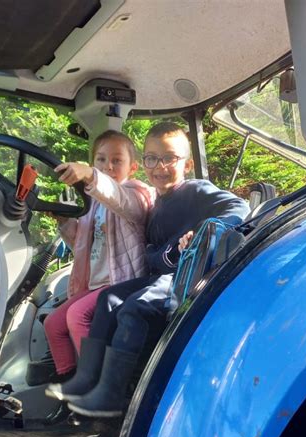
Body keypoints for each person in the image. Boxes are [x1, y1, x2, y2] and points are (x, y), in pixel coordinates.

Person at [51, 122, 249, 417]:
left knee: (135, 306)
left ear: (188, 163)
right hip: (162, 274)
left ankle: (111, 394)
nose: (160, 166)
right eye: (152, 158)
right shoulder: (157, 204)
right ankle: (91, 380)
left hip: (187, 278)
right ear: (143, 163)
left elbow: (238, 206)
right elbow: (154, 253)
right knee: (109, 299)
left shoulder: (193, 190)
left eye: (169, 158)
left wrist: (208, 232)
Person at [36, 130, 153, 395]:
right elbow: (81, 239)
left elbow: (123, 201)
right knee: (53, 324)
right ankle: (69, 385)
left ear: (132, 167)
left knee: (78, 316)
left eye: (116, 161)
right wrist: (62, 220)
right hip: (95, 284)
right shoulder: (94, 205)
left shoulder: (136, 193)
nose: (108, 166)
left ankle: (98, 386)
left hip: (121, 282)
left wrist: (90, 174)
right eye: (100, 160)